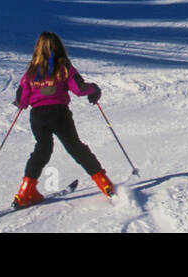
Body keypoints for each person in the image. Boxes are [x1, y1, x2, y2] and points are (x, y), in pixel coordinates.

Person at [10, 32, 114, 207]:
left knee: (42, 149)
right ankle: (104, 184)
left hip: (38, 116)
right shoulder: (64, 67)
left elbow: (22, 100)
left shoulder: (32, 71)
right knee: (75, 147)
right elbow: (80, 89)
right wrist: (94, 90)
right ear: (59, 47)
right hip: (59, 113)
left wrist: (21, 103)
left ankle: (25, 191)